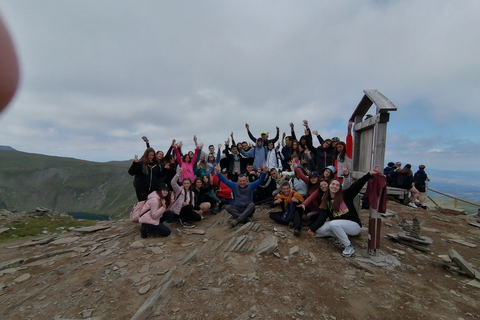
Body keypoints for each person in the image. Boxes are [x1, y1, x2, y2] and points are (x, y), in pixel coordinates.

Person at [307, 166, 382, 257]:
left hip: (354, 225)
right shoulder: (326, 201)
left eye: (337, 185)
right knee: (320, 229)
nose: (334, 186)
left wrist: (369, 174)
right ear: (329, 185)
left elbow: (357, 185)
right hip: (340, 224)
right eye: (332, 184)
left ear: (339, 187)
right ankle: (341, 238)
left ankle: (348, 246)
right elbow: (322, 216)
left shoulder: (345, 195)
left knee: (333, 224)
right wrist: (313, 229)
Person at [214, 163, 267, 227]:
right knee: (228, 207)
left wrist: (264, 172)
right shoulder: (234, 185)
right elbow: (224, 180)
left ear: (247, 180)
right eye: (240, 181)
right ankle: (245, 219)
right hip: (238, 209)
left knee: (252, 205)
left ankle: (238, 220)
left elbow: (260, 181)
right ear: (238, 181)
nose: (242, 183)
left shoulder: (251, 186)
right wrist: (218, 173)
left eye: (244, 181)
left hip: (248, 209)